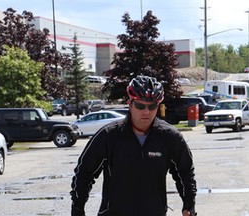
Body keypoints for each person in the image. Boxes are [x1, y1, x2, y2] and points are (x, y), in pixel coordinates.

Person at [70, 75, 197, 216]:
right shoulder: (109, 135)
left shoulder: (170, 137)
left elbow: (185, 172)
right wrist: (78, 209)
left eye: (152, 106)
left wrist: (189, 205)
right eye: (140, 105)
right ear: (130, 104)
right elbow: (84, 173)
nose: (146, 112)